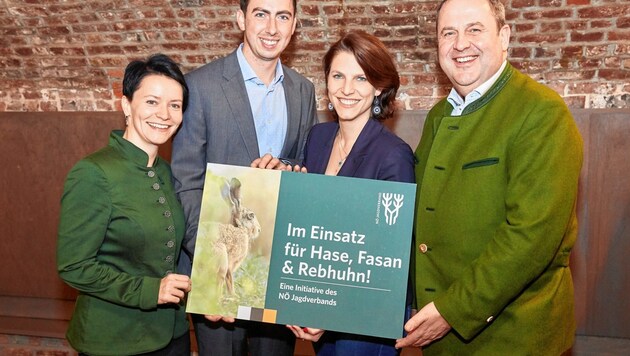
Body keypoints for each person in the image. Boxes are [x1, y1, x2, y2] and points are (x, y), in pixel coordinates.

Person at [394, 0, 583, 354]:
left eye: (474, 29)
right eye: (448, 33)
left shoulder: (542, 113)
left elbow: (531, 236)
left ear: (505, 36)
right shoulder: (440, 114)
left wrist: (453, 310)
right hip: (442, 335)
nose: (460, 43)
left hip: (513, 337)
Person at [170, 0, 318, 354]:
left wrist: (292, 172)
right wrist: (209, 256)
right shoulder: (200, 86)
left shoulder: (303, 90)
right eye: (260, 14)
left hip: (277, 266)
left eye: (282, 16)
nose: (271, 28)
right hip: (219, 268)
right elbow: (186, 182)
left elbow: (304, 171)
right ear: (241, 19)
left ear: (294, 25)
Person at [256, 30, 416, 356]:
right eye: (338, 75)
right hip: (321, 309)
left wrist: (329, 314)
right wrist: (279, 183)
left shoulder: (393, 155)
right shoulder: (318, 137)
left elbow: (389, 262)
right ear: (326, 81)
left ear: (379, 88)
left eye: (360, 78)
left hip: (368, 319)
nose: (346, 89)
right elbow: (312, 230)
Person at [57, 54, 192, 355]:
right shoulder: (94, 172)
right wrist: (150, 290)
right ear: (126, 105)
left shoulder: (166, 172)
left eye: (175, 105)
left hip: (173, 334)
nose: (165, 114)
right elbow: (74, 266)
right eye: (152, 102)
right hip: (115, 339)